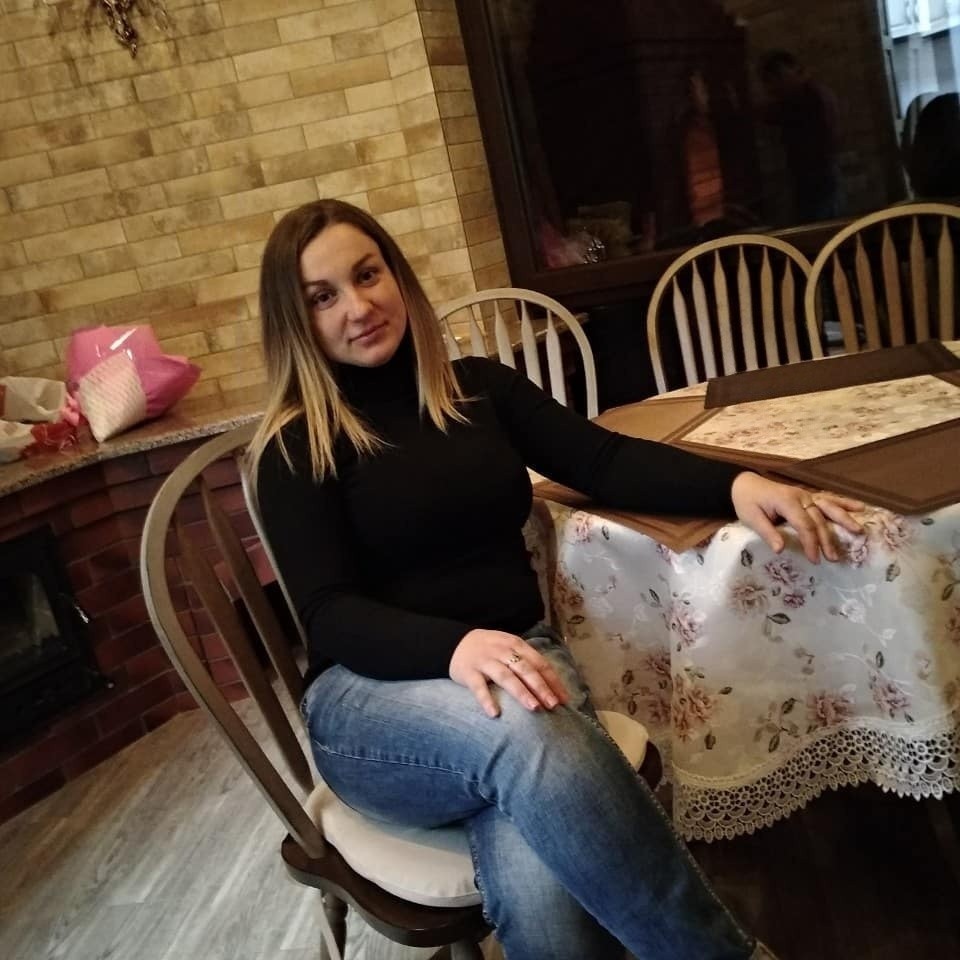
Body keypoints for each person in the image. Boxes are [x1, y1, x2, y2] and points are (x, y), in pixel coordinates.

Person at [250, 198, 863, 960]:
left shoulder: (479, 390)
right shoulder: (296, 446)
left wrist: (735, 484)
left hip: (520, 657)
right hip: (370, 702)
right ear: (296, 322)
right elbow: (329, 614)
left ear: (396, 275)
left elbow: (604, 460)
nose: (359, 305)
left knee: (548, 891)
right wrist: (454, 649)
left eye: (367, 275)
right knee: (528, 730)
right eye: (323, 296)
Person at [759, 50, 842, 222]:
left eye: (774, 80)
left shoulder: (806, 96)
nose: (773, 88)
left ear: (785, 72)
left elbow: (772, 114)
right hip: (822, 172)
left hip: (814, 175)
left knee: (816, 225)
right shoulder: (815, 92)